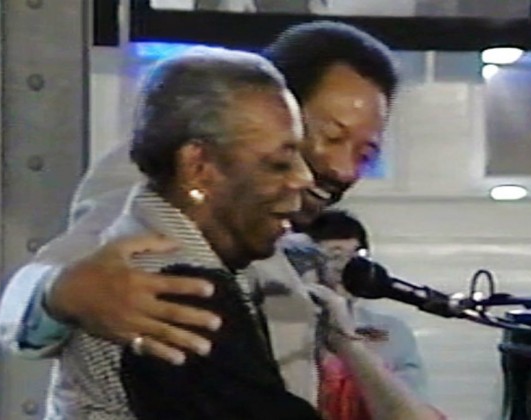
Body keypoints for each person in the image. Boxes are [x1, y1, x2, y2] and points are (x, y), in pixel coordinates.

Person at [0, 21, 440, 419]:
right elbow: (29, 295)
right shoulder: (161, 192)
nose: (345, 169)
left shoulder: (282, 233)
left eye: (366, 154)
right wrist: (60, 293)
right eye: (330, 137)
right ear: (272, 106)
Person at [42, 46, 322, 418]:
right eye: (279, 162)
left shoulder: (140, 254)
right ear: (199, 166)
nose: (304, 178)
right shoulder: (177, 291)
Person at [305, 209, 431, 418]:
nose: (347, 267)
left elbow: (414, 407)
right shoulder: (280, 327)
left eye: (356, 255)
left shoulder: (390, 331)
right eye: (334, 255)